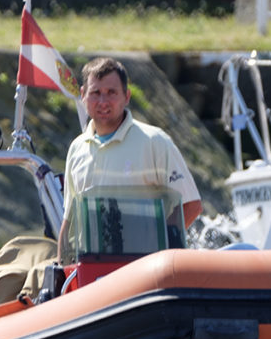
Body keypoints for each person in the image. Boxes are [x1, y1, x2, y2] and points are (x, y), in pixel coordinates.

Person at [59, 57, 202, 258]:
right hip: (92, 271)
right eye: (96, 93)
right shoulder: (77, 149)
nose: (103, 101)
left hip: (145, 273)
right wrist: (61, 269)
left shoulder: (155, 142)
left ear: (127, 96)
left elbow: (191, 205)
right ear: (83, 95)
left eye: (111, 93)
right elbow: (69, 221)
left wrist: (156, 251)